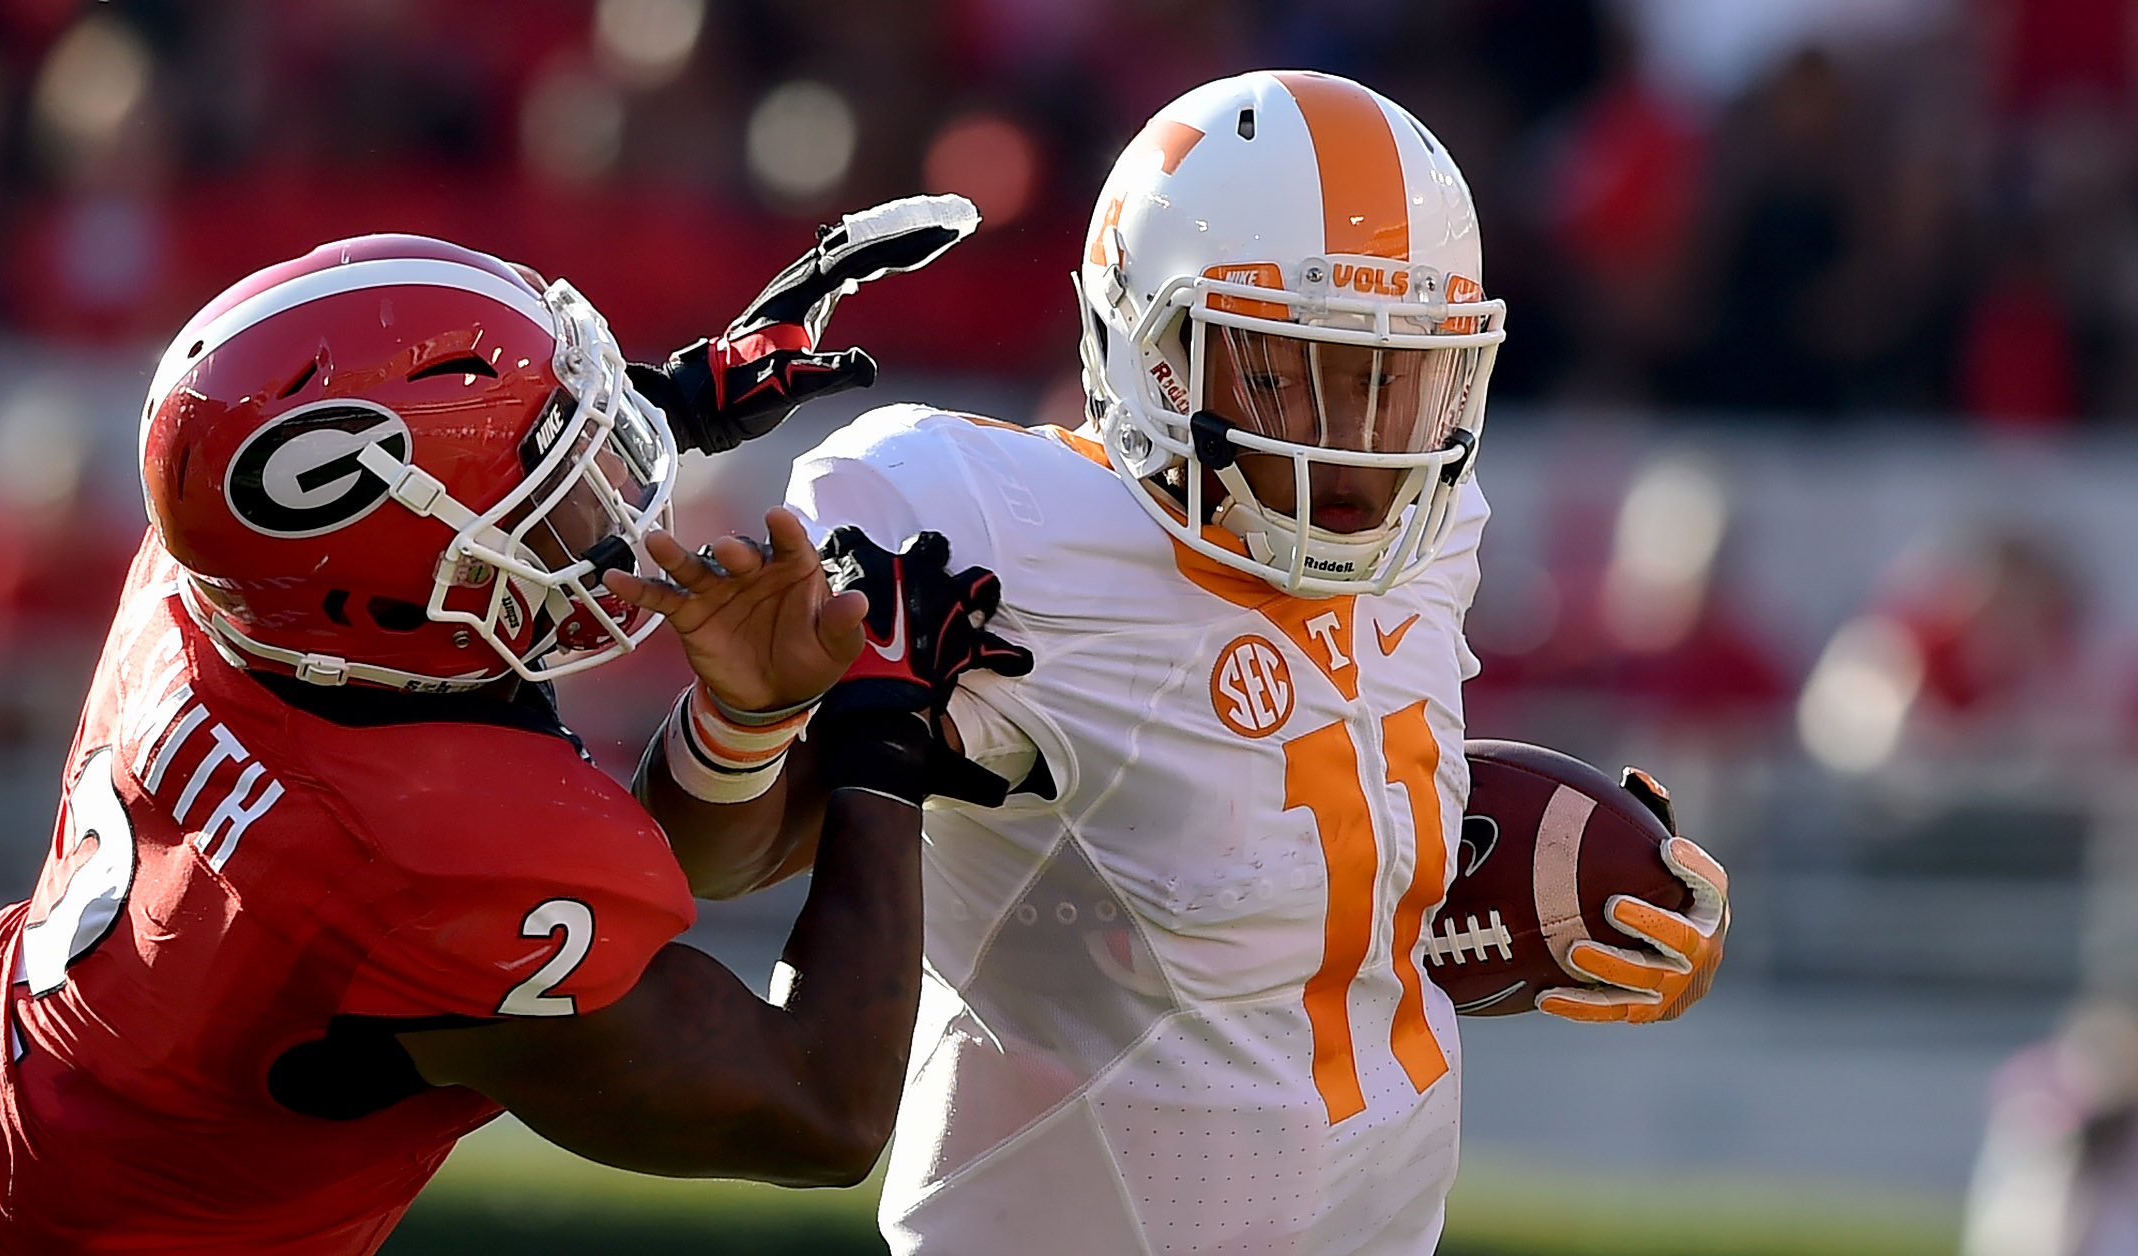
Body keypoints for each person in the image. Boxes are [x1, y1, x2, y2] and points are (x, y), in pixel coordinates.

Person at [0, 199, 1026, 1256]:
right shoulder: (400, 858)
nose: (618, 512)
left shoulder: (214, 577)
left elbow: (592, 903)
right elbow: (819, 1107)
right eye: (555, 480)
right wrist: (879, 738)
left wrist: (654, 413)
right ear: (389, 573)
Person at [642, 72, 1732, 1254]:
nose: (1353, 438)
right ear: (1151, 348)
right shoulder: (1009, 541)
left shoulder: (1434, 532)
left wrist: (1599, 888)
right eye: (1284, 368)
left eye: (1389, 374)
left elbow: (1305, 800)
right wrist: (745, 719)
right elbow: (720, 852)